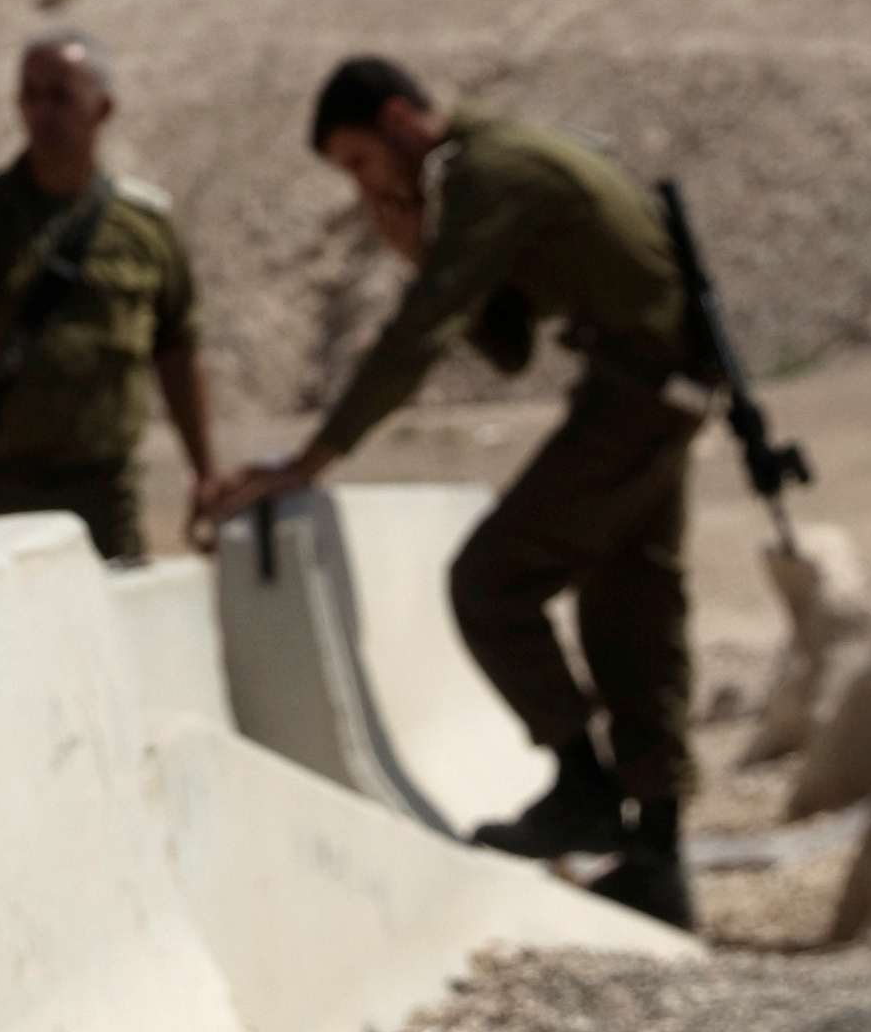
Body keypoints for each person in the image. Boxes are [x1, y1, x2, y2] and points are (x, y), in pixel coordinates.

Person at [204, 57, 701, 932]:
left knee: (491, 581)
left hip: (639, 391)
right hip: (654, 388)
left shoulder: (488, 170)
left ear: (399, 120)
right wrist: (419, 243)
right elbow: (507, 344)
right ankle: (657, 860)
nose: (366, 185)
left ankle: (585, 791)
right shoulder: (480, 171)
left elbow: (419, 334)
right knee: (632, 605)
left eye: (361, 162)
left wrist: (312, 459)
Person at [0, 28, 216, 565]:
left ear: (102, 107)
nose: (43, 112)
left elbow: (179, 349)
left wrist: (204, 471)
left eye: (60, 95)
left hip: (99, 495)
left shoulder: (144, 227)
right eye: (30, 94)